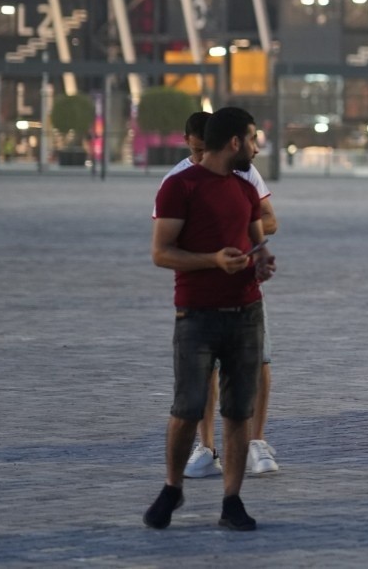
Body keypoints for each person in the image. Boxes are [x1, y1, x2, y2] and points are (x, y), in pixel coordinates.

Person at [143, 107, 275, 532]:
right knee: (186, 408)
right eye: (252, 139)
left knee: (238, 411)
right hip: (196, 315)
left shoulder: (246, 189)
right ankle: (172, 487)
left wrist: (262, 262)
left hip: (246, 312)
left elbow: (258, 245)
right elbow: (161, 252)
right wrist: (213, 260)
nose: (256, 148)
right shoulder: (179, 186)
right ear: (234, 142)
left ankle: (232, 500)